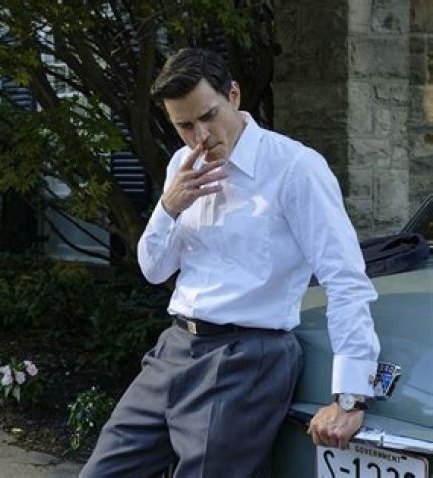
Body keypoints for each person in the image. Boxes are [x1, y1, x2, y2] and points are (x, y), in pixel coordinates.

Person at [79, 48, 380, 477]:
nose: (200, 136)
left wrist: (350, 398)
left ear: (233, 95)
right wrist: (168, 207)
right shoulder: (181, 165)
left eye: (209, 115)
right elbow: (154, 270)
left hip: (246, 359)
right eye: (185, 125)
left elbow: (345, 278)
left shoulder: (295, 168)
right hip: (175, 348)